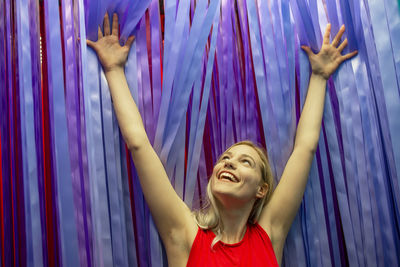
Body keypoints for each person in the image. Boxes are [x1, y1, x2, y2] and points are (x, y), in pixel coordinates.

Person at [87, 13, 357, 267]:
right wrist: (113, 71)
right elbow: (139, 145)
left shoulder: (270, 233)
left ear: (261, 190)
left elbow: (305, 149)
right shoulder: (184, 234)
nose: (228, 163)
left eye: (245, 162)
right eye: (225, 159)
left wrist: (320, 76)